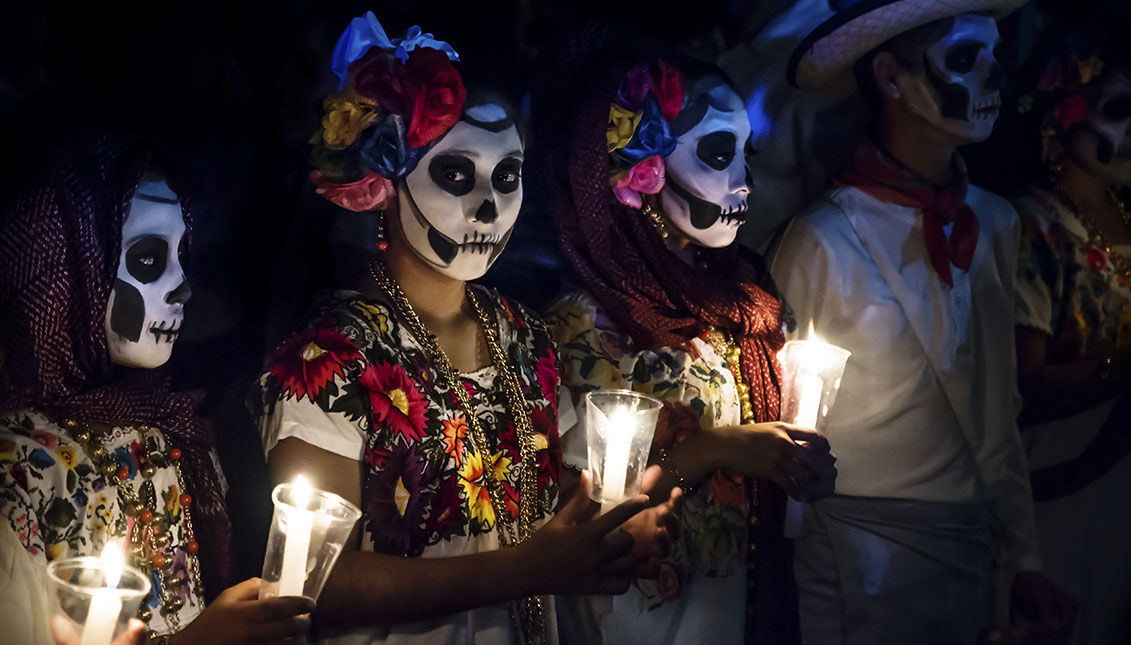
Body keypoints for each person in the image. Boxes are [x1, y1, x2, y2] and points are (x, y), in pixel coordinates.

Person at [256, 13, 678, 645]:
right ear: (382, 181)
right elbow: (316, 585)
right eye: (456, 175)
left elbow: (559, 492)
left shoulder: (523, 335)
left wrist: (611, 529)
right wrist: (524, 570)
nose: (488, 205)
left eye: (507, 177)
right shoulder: (326, 361)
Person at [771, 1, 1076, 643]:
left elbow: (997, 410)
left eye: (997, 55)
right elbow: (784, 430)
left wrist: (1024, 559)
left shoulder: (993, 224)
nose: (994, 77)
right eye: (965, 59)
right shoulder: (821, 239)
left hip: (968, 549)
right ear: (890, 77)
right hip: (856, 555)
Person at [532, 28, 837, 644]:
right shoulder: (584, 329)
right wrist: (712, 451)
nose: (744, 182)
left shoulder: (748, 302)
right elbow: (584, 523)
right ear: (639, 171)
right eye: (718, 154)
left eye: (747, 154)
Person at [0, 128, 313, 644]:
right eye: (147, 259)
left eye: (181, 254)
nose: (184, 285)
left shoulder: (172, 431)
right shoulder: (15, 471)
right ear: (65, 269)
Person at [1010, 17, 1131, 643]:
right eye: (1119, 109)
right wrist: (1117, 371)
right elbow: (1025, 385)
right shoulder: (1037, 225)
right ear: (1064, 113)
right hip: (1066, 479)